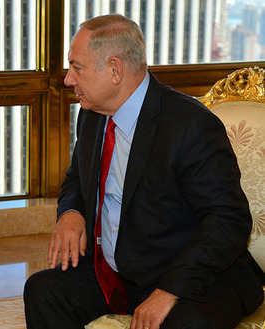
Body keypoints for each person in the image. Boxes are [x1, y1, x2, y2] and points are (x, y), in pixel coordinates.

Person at [24, 13, 265, 329]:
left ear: (114, 70)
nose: (68, 79)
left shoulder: (189, 125)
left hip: (193, 275)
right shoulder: (93, 115)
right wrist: (70, 212)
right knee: (43, 290)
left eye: (76, 68)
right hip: (121, 272)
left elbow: (229, 220)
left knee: (187, 323)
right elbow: (75, 180)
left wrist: (169, 291)